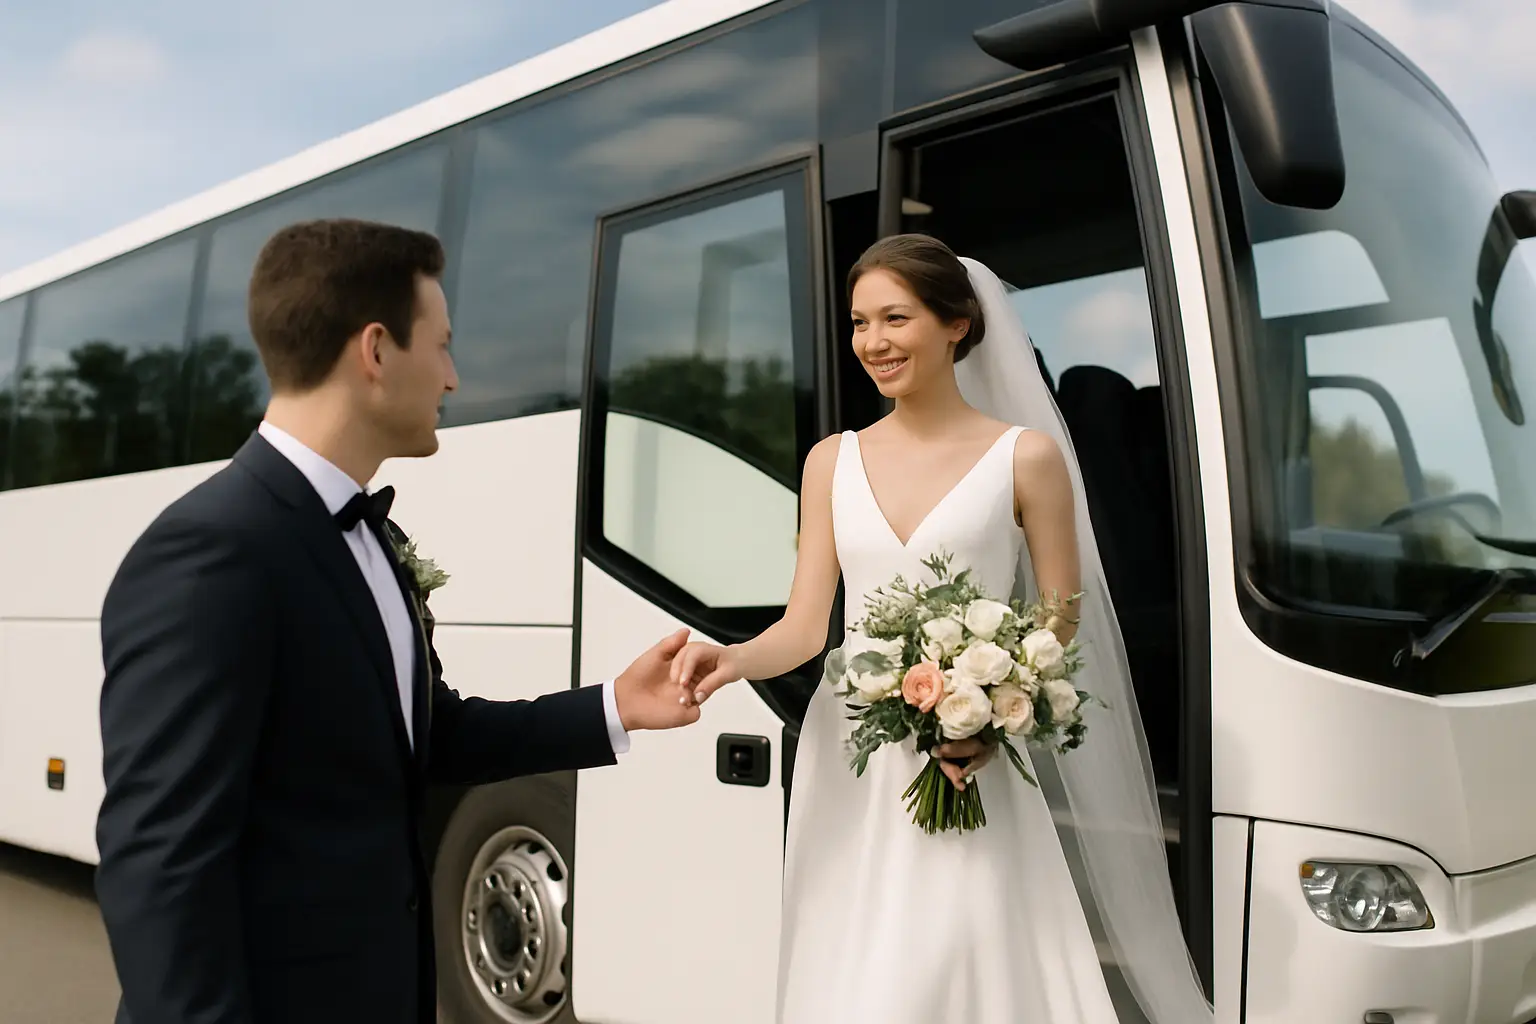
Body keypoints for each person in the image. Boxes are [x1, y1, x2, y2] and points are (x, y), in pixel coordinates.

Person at [94, 218, 701, 1024]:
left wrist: (613, 707)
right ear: (375, 352)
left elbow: (428, 739)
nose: (452, 378)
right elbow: (161, 864)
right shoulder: (209, 553)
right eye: (443, 346)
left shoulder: (378, 540)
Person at [672, 235, 1214, 1023]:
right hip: (853, 763)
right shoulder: (831, 461)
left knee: (961, 962)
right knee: (858, 969)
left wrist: (991, 709)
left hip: (975, 760)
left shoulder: (1026, 458)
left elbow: (1060, 618)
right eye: (860, 322)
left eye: (896, 317)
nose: (873, 342)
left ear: (957, 322)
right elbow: (802, 629)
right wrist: (730, 659)